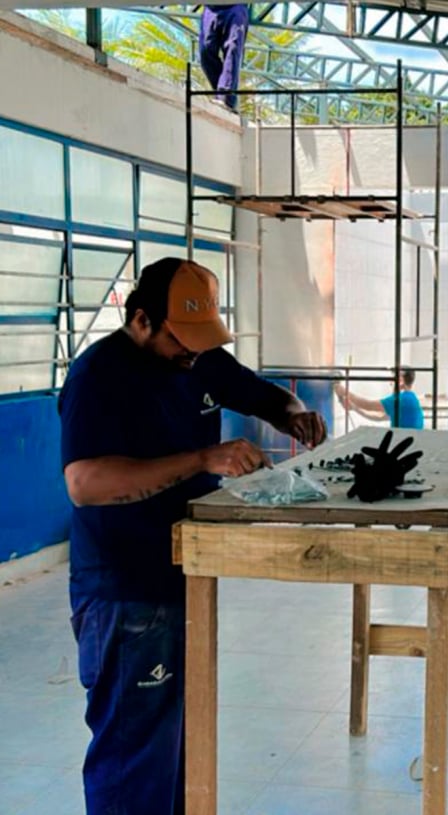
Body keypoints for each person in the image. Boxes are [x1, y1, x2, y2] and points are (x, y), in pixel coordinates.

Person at [58, 257, 326, 815]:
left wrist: (294, 414)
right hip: (124, 589)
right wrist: (204, 458)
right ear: (141, 322)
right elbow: (85, 483)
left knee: (173, 744)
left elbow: (264, 396)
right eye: (182, 339)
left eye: (203, 340)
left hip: (184, 574)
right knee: (132, 751)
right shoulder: (99, 377)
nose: (193, 352)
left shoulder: (199, 358)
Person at [334, 366, 424, 429]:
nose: (390, 383)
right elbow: (379, 417)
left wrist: (344, 391)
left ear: (400, 380)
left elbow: (368, 405)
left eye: (392, 379)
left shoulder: (402, 399)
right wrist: (354, 408)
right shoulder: (410, 398)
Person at [198, 4, 249, 112]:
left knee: (232, 49)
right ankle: (223, 92)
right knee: (205, 51)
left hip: (236, 6)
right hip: (211, 8)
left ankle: (226, 96)